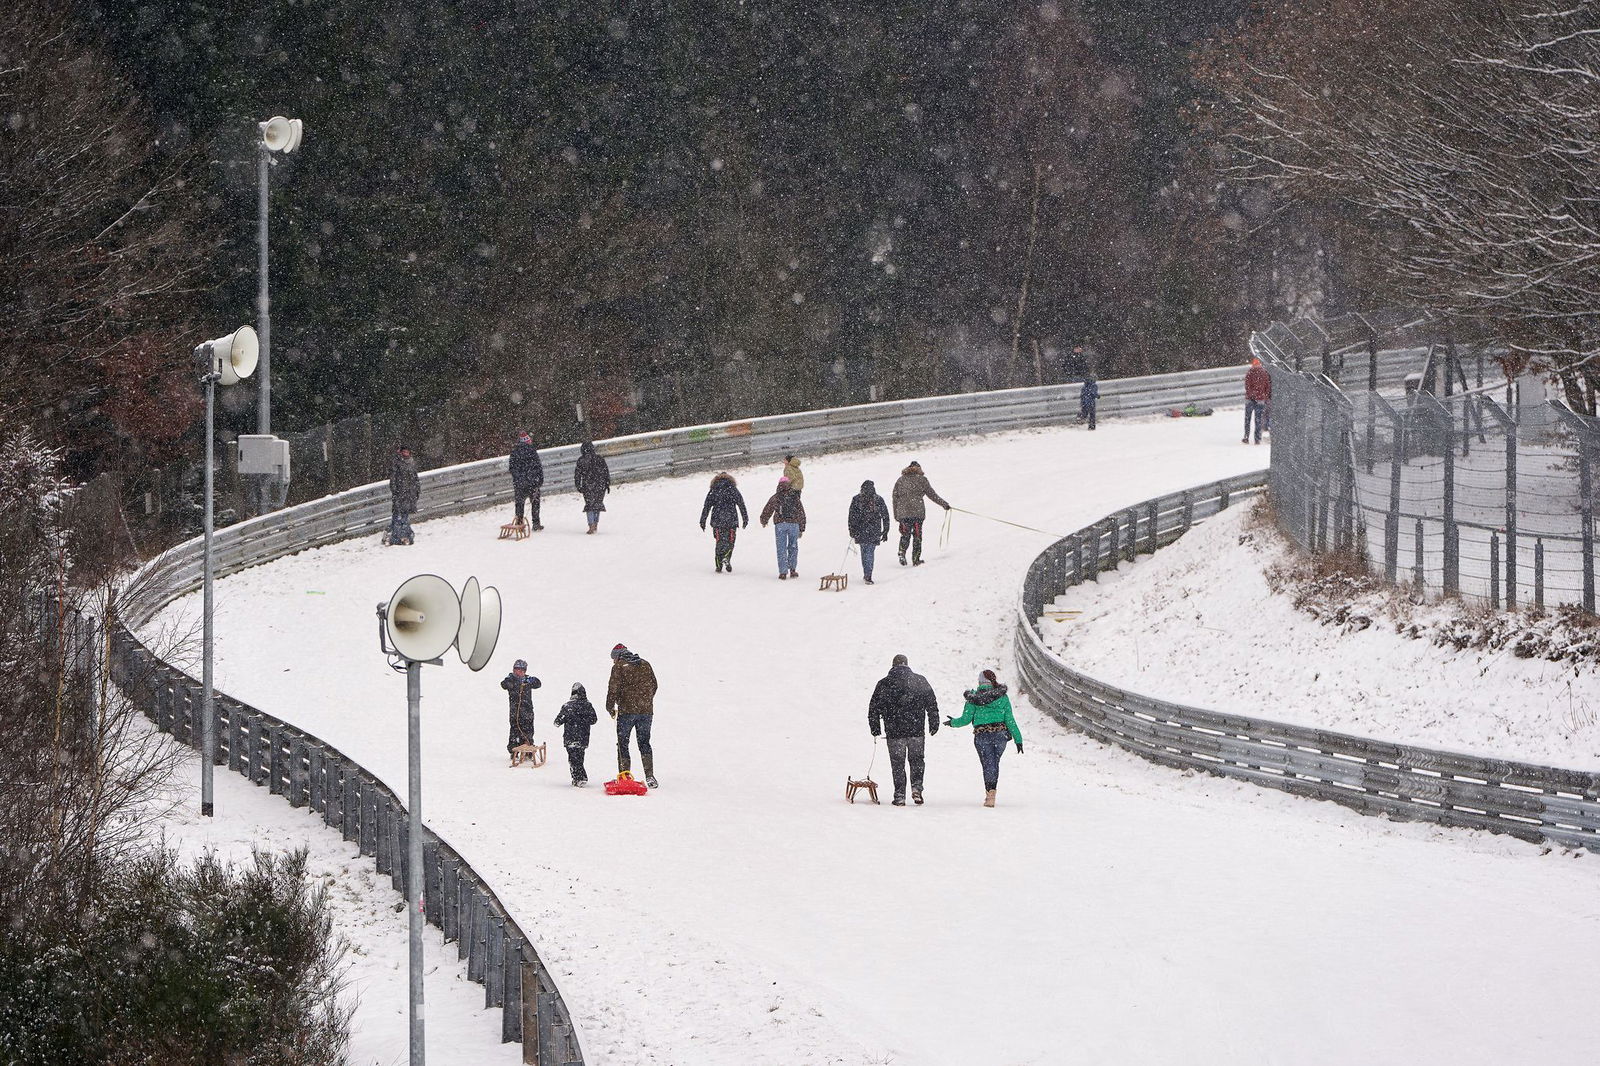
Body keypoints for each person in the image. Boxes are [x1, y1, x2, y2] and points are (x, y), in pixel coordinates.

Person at [868, 654, 940, 806]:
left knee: (897, 764)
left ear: (893, 665)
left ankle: (900, 795)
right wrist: (934, 722)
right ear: (907, 664)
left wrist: (875, 728)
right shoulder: (920, 680)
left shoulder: (884, 683)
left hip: (894, 732)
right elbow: (931, 703)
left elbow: (873, 707)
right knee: (917, 761)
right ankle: (917, 788)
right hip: (916, 730)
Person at [943, 669, 1022, 807]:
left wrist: (953, 722)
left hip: (982, 735)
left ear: (979, 682)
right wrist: (1018, 739)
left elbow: (965, 719)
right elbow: (1010, 720)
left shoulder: (973, 698)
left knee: (988, 764)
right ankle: (991, 792)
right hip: (1000, 735)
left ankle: (990, 794)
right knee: (994, 763)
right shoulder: (1003, 697)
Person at [607, 643, 659, 787]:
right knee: (644, 742)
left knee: (623, 743)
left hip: (626, 712)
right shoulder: (645, 664)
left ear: (618, 657)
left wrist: (610, 707)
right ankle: (650, 776)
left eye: (613, 658)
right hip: (646, 712)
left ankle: (625, 777)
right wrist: (645, 700)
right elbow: (654, 685)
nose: (613, 661)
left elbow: (613, 689)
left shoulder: (619, 667)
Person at [891, 460, 950, 567]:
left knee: (905, 534)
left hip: (903, 514)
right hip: (917, 513)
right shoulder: (922, 479)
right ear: (919, 469)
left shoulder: (900, 480)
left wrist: (896, 514)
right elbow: (932, 495)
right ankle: (916, 559)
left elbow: (895, 498)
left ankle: (902, 551)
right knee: (917, 536)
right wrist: (944, 504)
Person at [699, 471, 749, 573]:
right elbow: (741, 503)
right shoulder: (732, 489)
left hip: (717, 520)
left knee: (719, 541)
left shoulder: (714, 489)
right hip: (731, 520)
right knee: (730, 541)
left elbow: (706, 506)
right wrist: (745, 518)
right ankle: (726, 557)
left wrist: (702, 520)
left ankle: (719, 564)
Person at [759, 476, 807, 580]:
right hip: (794, 524)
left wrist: (764, 520)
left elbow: (768, 509)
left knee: (781, 548)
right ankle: (792, 569)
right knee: (793, 547)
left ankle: (783, 572)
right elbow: (801, 512)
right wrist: (802, 527)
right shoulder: (794, 496)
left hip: (780, 524)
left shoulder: (776, 496)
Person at [553, 682, 598, 786]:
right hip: (583, 737)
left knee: (573, 759)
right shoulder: (588, 705)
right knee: (580, 758)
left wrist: (568, 718)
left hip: (570, 737)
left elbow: (557, 722)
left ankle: (579, 778)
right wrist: (583, 719)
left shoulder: (567, 706)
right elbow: (594, 720)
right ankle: (580, 777)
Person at [847, 480, 891, 584]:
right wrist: (886, 530)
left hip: (861, 530)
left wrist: (852, 529)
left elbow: (851, 516)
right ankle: (868, 574)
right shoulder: (878, 499)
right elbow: (885, 516)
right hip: (874, 530)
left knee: (864, 552)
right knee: (870, 552)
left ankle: (867, 573)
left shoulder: (857, 499)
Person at [499, 659, 542, 765]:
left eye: (522, 670)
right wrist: (510, 684)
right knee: (515, 730)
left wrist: (531, 680)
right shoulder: (510, 679)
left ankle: (528, 751)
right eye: (518, 669)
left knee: (528, 730)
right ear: (514, 670)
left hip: (527, 710)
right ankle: (514, 751)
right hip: (515, 711)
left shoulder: (527, 680)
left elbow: (538, 683)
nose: (520, 672)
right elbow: (504, 684)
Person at [509, 430, 544, 530]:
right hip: (533, 482)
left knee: (519, 504)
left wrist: (518, 479)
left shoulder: (514, 452)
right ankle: (536, 523)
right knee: (535, 503)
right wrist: (539, 480)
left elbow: (512, 468)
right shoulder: (532, 451)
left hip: (519, 484)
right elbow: (538, 467)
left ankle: (519, 523)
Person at [574, 441, 610, 534]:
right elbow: (606, 472)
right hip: (600, 485)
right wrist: (607, 484)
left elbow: (577, 475)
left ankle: (591, 525)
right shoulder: (600, 459)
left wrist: (578, 485)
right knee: (597, 505)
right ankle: (595, 524)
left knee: (589, 506)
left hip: (587, 486)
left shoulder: (581, 460)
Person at [387, 445, 419, 546]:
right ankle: (402, 536)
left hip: (409, 494)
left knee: (403, 516)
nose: (406, 453)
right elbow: (393, 479)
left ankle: (399, 535)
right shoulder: (396, 463)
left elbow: (415, 478)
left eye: (407, 452)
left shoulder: (411, 463)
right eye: (404, 452)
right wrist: (395, 491)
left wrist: (417, 491)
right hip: (400, 493)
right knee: (399, 516)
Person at [1244, 357, 1272, 445]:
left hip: (1250, 399)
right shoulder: (1264, 373)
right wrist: (1264, 396)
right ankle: (1257, 438)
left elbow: (1247, 386)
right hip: (1260, 399)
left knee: (1247, 419)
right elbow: (1268, 386)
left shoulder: (1250, 372)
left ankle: (1246, 437)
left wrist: (1251, 394)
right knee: (1258, 420)